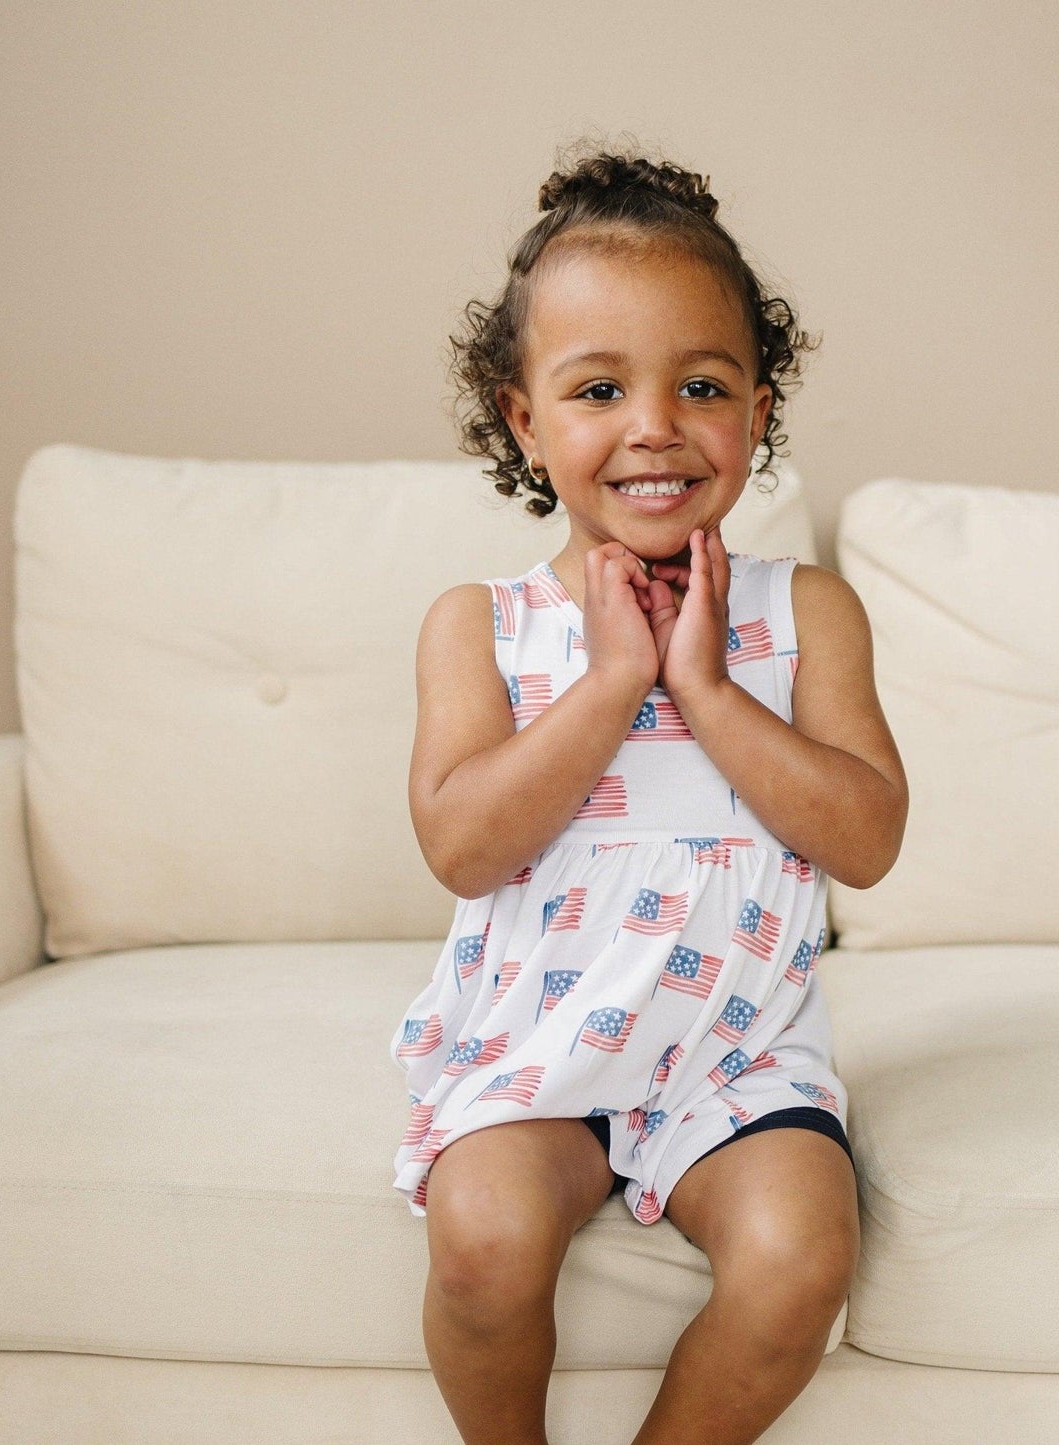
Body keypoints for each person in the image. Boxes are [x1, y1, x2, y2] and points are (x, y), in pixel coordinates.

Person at [389, 145, 908, 1445]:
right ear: (524, 419)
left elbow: (868, 837)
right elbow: (460, 845)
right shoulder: (481, 625)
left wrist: (712, 691)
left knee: (797, 1256)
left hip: (735, 1059)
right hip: (536, 1057)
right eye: (599, 388)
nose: (654, 425)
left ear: (756, 408)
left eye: (701, 385)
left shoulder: (805, 614)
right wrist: (617, 677)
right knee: (481, 1237)